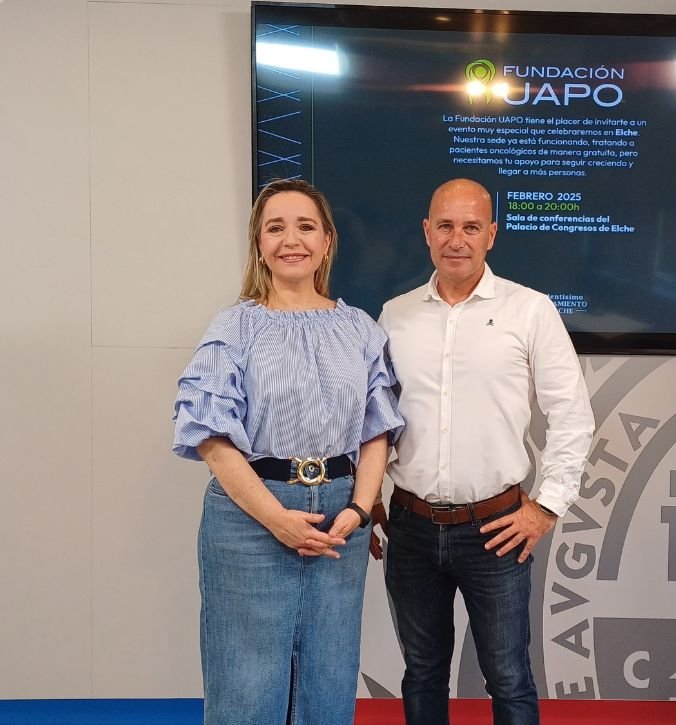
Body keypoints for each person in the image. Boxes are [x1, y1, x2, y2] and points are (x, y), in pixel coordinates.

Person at [172, 179, 403, 725]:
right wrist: (276, 518)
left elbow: (376, 431)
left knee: (328, 679)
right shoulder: (235, 327)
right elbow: (211, 437)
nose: (291, 240)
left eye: (305, 227)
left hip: (341, 522)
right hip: (249, 520)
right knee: (246, 687)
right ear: (259, 244)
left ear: (327, 241)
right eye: (275, 228)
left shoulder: (360, 329)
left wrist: (359, 509)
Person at [377, 178, 595, 724]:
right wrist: (368, 496)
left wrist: (547, 507)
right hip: (411, 527)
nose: (457, 239)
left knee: (508, 677)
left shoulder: (531, 310)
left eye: (471, 227)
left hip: (496, 529)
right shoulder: (394, 316)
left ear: (491, 234)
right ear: (427, 232)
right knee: (421, 672)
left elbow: (571, 414)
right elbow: (373, 419)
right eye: (445, 226)